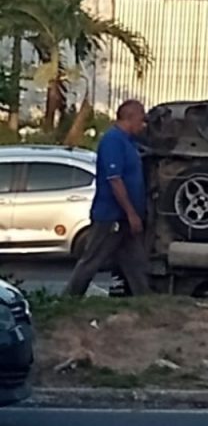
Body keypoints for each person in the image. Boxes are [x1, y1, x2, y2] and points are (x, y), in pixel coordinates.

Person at [64, 100, 151, 297]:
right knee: (93, 258)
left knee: (134, 260)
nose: (143, 124)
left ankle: (145, 299)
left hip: (124, 217)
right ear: (129, 118)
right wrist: (131, 213)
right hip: (110, 215)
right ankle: (70, 297)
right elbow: (115, 180)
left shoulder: (129, 142)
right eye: (141, 119)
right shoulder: (113, 141)